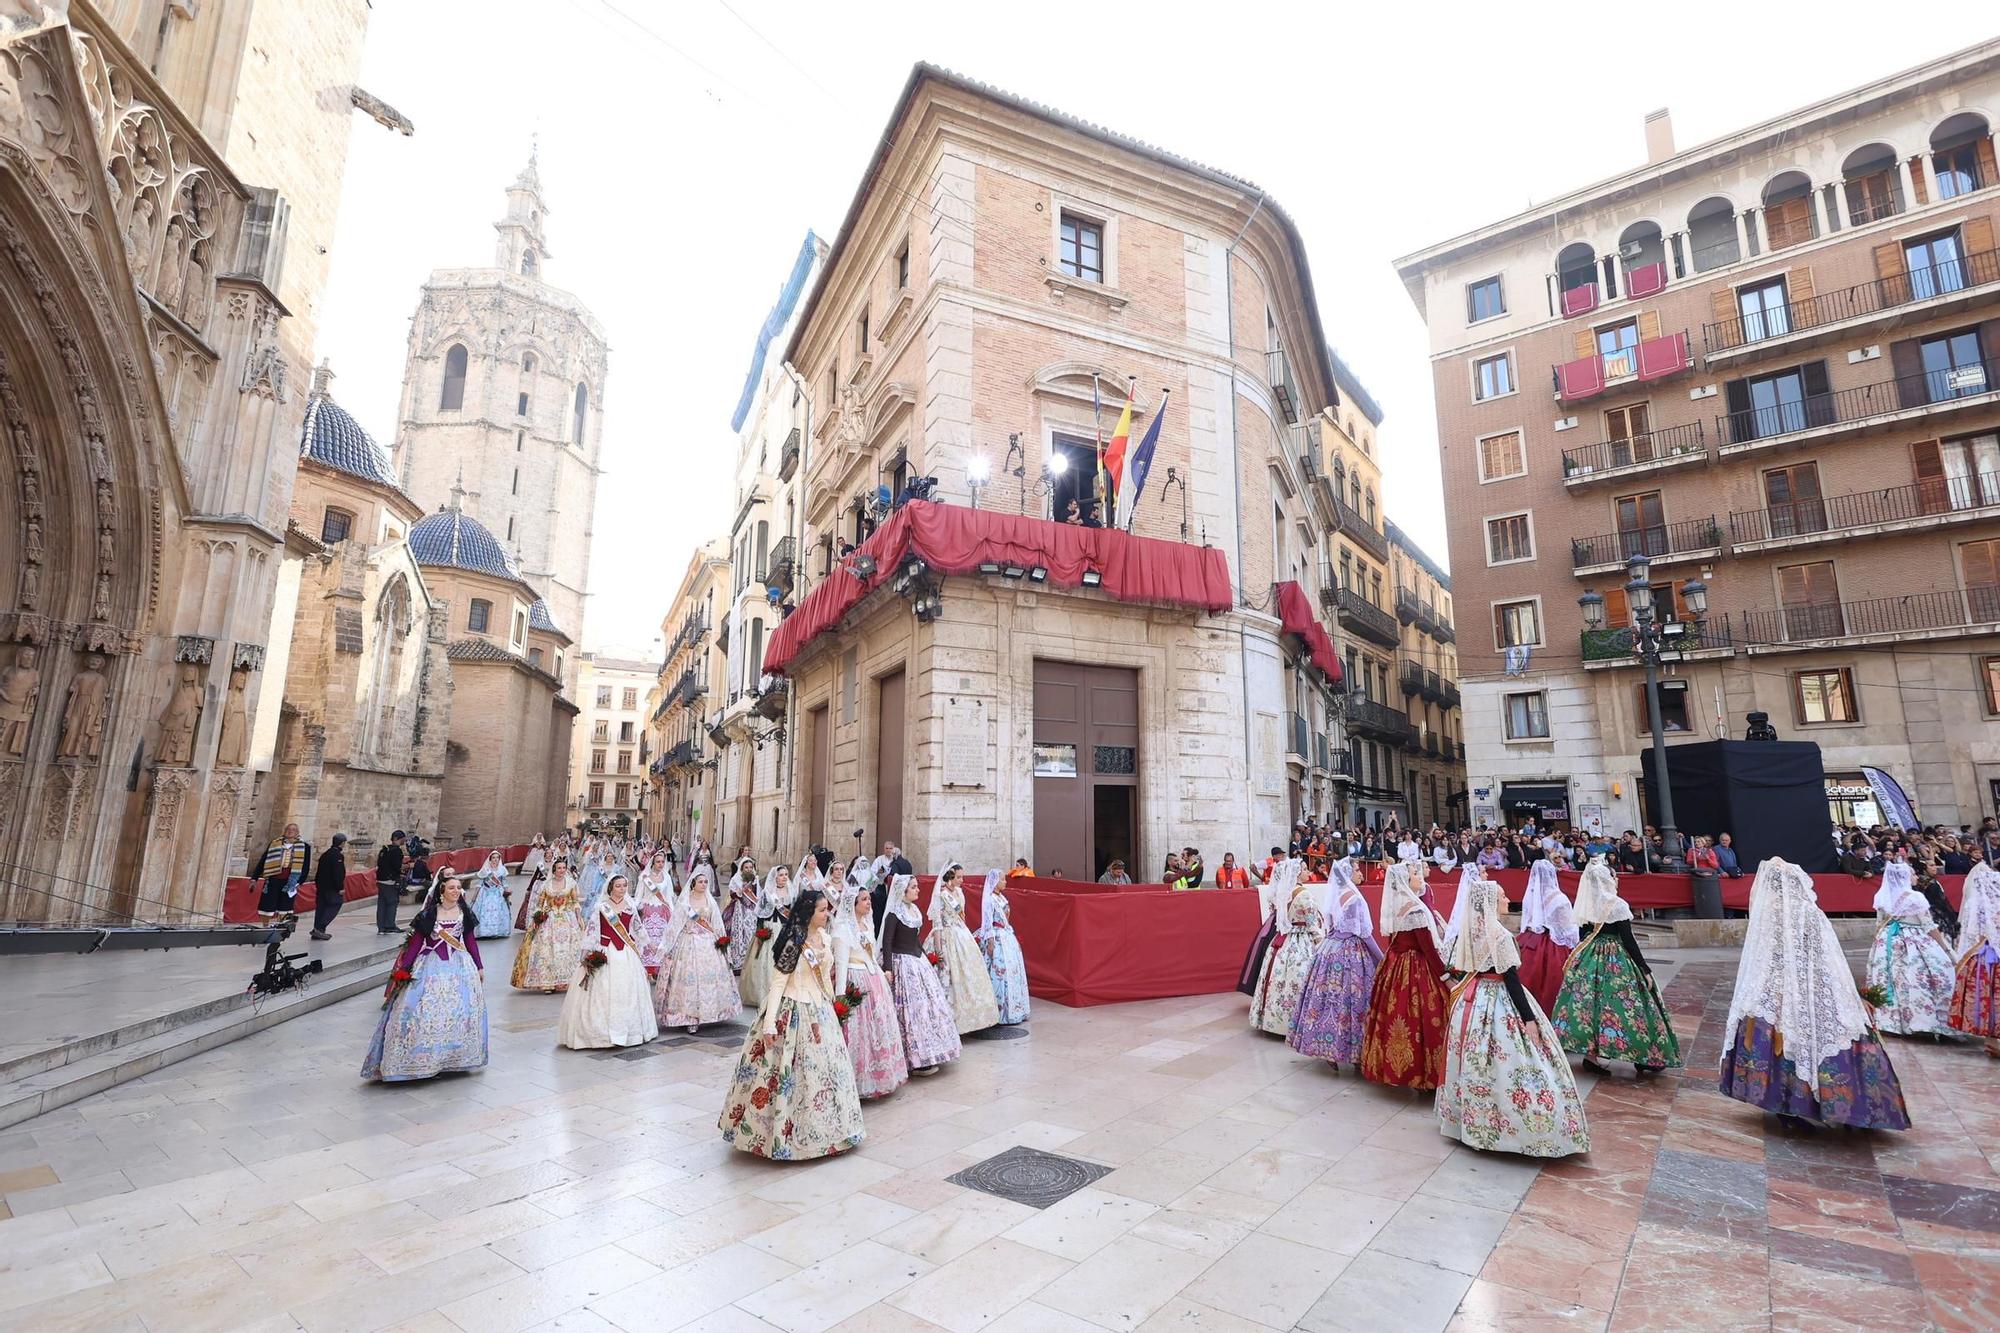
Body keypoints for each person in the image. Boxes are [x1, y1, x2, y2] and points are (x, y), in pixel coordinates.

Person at [1720, 858, 1911, 1129]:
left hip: (1772, 988)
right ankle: (1847, 1107)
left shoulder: (1765, 913)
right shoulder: (1808, 912)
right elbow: (1828, 956)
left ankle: (1785, 1105)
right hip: (1811, 986)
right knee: (1827, 1036)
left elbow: (1762, 958)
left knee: (1780, 1041)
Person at [1436, 874, 1590, 1158]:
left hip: (1472, 999)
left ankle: (1469, 1121)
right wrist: (1529, 1019)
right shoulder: (1500, 935)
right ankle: (1522, 1128)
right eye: (1503, 896)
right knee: (1518, 1063)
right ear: (1492, 902)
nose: (1508, 900)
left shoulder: (1470, 932)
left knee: (1474, 1061)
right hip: (1497, 1000)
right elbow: (1511, 980)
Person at [719, 887, 867, 1159]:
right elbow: (778, 984)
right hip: (793, 1008)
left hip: (819, 1011)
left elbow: (825, 977)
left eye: (827, 909)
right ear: (809, 913)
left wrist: (834, 1004)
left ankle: (829, 1133)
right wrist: (769, 1024)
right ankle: (782, 1137)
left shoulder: (823, 936)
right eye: (822, 910)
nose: (827, 914)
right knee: (787, 1075)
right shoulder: (793, 942)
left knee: (824, 1074)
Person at [1550, 856, 1681, 1076]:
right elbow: (1628, 940)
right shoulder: (1617, 904)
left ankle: (1593, 1056)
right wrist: (1644, 968)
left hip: (1591, 956)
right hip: (1615, 957)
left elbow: (1585, 933)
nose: (1616, 879)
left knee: (1592, 1005)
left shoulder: (1589, 903)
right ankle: (1644, 1054)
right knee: (1628, 1006)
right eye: (1613, 875)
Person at [362, 872, 487, 1083]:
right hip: (429, 966)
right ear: (442, 891)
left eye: (458, 888)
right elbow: (417, 943)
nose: (456, 891)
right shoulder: (429, 914)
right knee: (420, 1010)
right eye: (452, 888)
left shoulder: (464, 913)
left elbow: (470, 941)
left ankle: (451, 1057)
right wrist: (405, 969)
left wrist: (479, 966)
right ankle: (419, 1058)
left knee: (458, 1010)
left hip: (458, 966)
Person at [1360, 860, 1450, 1090]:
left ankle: (1392, 1068)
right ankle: (1425, 1074)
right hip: (1416, 968)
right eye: (1414, 874)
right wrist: (1445, 976)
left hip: (1395, 965)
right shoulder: (1415, 909)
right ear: (1405, 880)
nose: (1419, 877)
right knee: (1423, 1019)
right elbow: (1428, 949)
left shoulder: (1397, 907)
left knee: (1394, 1016)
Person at [1287, 859, 1381, 1069]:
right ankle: (1355, 1050)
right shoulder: (1354, 898)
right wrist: (1380, 957)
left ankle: (1327, 1048)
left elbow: (1330, 925)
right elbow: (1364, 933)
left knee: (1328, 999)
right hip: (1351, 952)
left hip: (1330, 948)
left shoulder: (1337, 895)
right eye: (1357, 870)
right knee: (1354, 999)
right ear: (1349, 874)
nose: (1360, 873)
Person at [558, 874, 659, 1049]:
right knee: (602, 990)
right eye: (618, 886)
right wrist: (586, 954)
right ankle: (600, 1035)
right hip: (605, 951)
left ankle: (629, 1031)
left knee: (627, 990)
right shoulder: (601, 907)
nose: (622, 889)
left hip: (626, 953)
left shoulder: (631, 906)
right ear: (611, 888)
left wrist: (650, 945)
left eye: (625, 886)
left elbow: (638, 928)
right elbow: (591, 931)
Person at [833, 876, 908, 1099]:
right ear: (853, 904)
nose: (869, 903)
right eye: (864, 900)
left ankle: (880, 1075)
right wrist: (840, 997)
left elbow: (872, 953)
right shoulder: (842, 929)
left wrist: (881, 973)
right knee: (859, 1030)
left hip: (873, 977)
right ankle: (857, 1079)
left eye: (868, 899)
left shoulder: (867, 923)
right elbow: (841, 963)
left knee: (879, 1026)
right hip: (855, 978)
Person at [880, 873, 961, 1075]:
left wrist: (926, 958)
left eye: (917, 886)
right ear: (903, 891)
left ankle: (931, 1051)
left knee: (928, 1008)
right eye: (914, 887)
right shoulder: (894, 914)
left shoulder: (914, 910)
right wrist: (888, 968)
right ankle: (913, 1058)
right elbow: (887, 943)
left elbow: (916, 940)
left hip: (917, 961)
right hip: (902, 963)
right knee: (910, 1010)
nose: (918, 890)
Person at [1865, 861, 1957, 1037]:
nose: (1915, 877)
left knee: (1891, 979)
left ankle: (1892, 1021)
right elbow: (1929, 926)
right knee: (1921, 976)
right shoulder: (1915, 897)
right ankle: (1924, 1021)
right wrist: (1946, 949)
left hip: (1887, 942)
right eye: (1913, 874)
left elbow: (1879, 926)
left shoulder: (1882, 897)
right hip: (1914, 941)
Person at [655, 866, 741, 1035]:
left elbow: (717, 924)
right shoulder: (684, 902)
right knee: (689, 981)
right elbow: (674, 926)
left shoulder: (710, 901)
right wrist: (665, 947)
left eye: (706, 882)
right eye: (700, 881)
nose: (703, 884)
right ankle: (689, 1018)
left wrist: (723, 944)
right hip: (689, 943)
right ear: (693, 883)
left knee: (710, 979)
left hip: (709, 944)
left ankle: (713, 1013)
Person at [1249, 860, 1321, 1037]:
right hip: (1302, 939)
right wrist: (1320, 942)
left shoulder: (1282, 894)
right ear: (1296, 874)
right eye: (1304, 869)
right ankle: (1298, 1023)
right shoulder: (1304, 894)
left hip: (1285, 941)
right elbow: (1312, 923)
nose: (1307, 872)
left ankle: (1275, 1021)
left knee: (1278, 979)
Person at [928, 864, 1001, 1035]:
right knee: (950, 978)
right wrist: (938, 951)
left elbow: (962, 917)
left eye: (962, 876)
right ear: (950, 878)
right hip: (947, 937)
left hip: (961, 936)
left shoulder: (959, 892)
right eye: (959, 877)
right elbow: (937, 924)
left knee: (971, 975)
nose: (962, 880)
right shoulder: (941, 895)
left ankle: (975, 1020)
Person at [510, 858, 587, 992]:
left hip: (567, 918)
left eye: (564, 868)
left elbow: (575, 902)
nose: (562, 870)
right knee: (547, 950)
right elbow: (540, 904)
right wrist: (538, 917)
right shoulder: (546, 885)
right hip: (550, 919)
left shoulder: (571, 883)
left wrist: (578, 916)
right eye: (559, 868)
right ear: (554, 870)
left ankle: (568, 980)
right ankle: (548, 982)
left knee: (569, 950)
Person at [1948, 862, 2000, 1057]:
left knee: (1986, 997)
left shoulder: (1973, 904)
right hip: (1992, 954)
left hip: (1980, 956)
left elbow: (1970, 933)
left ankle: (1990, 1039)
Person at [1516, 858, 1579, 1016]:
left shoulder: (1530, 896)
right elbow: (1567, 928)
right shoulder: (1559, 898)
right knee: (1553, 984)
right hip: (1552, 945)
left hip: (1530, 941)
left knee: (1528, 981)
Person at [976, 868, 1030, 1025]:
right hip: (997, 937)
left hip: (1007, 936)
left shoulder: (1001, 897)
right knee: (999, 972)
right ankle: (999, 1011)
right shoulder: (990, 899)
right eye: (1002, 879)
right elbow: (987, 922)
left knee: (1012, 972)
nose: (1005, 882)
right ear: (994, 882)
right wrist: (991, 941)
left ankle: (1015, 1008)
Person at [740, 862, 796, 1008]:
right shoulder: (768, 892)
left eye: (786, 875)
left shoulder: (792, 891)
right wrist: (760, 932)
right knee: (766, 962)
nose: (784, 877)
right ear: (775, 877)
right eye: (781, 875)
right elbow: (760, 914)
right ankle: (764, 995)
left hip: (784, 930)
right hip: (770, 928)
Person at [255, 823, 313, 924]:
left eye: (293, 830)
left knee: (285, 906)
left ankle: (281, 928)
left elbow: (305, 865)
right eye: (288, 829)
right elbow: (264, 860)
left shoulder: (304, 847)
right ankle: (265, 926)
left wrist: (299, 882)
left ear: (297, 833)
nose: (290, 831)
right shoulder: (274, 843)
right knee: (267, 905)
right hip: (273, 879)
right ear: (284, 831)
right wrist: (254, 877)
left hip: (290, 880)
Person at [634, 854, 678, 976]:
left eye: (662, 862)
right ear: (652, 863)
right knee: (647, 939)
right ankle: (646, 969)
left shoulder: (667, 877)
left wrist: (673, 912)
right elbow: (638, 895)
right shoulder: (644, 877)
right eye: (658, 861)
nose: (660, 864)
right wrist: (634, 909)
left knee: (661, 939)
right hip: (647, 910)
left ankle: (659, 969)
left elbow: (669, 896)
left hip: (662, 911)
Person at [723, 857, 760, 974]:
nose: (749, 870)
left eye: (750, 867)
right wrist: (742, 889)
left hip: (752, 911)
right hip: (739, 909)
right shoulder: (736, 879)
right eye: (746, 868)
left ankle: (751, 962)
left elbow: (758, 895)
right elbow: (733, 894)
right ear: (742, 869)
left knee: (751, 933)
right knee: (739, 934)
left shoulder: (755, 880)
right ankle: (738, 961)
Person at [469, 850, 511, 939]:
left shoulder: (502, 869)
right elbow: (479, 883)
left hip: (497, 893)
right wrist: (474, 897)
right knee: (485, 912)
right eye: (493, 858)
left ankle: (497, 931)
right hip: (486, 893)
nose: (495, 860)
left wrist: (507, 894)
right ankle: (484, 932)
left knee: (498, 911)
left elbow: (504, 883)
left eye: (497, 858)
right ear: (490, 859)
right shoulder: (485, 870)